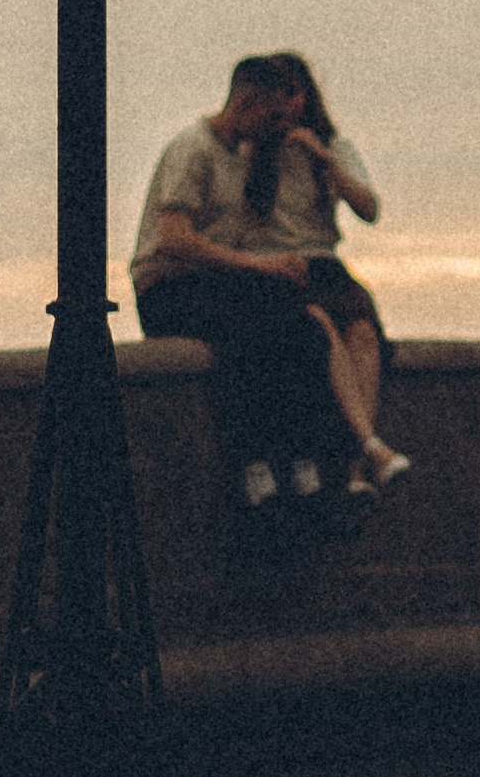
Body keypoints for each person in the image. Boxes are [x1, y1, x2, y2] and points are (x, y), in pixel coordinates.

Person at [131, 56, 410, 509]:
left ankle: (304, 466)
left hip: (213, 280)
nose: (281, 127)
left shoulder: (240, 154)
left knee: (301, 330)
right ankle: (256, 466)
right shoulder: (195, 148)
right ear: (246, 103)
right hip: (169, 287)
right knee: (265, 333)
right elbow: (173, 239)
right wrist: (257, 265)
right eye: (274, 115)